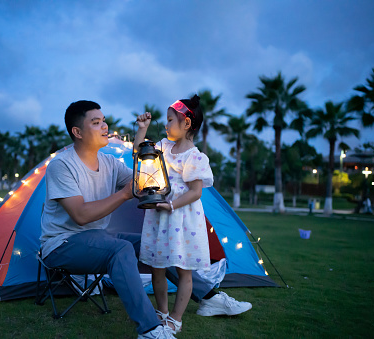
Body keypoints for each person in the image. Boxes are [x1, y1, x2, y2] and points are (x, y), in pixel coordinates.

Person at [40, 100, 251, 339]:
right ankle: (151, 329)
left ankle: (209, 298)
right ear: (77, 132)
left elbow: (143, 183)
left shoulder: (109, 163)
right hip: (62, 244)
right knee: (119, 249)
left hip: (98, 238)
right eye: (96, 123)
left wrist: (171, 176)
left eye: (104, 120)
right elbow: (80, 215)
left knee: (153, 243)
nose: (105, 126)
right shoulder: (61, 165)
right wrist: (123, 194)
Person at [134, 95, 212, 334]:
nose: (166, 125)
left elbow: (196, 192)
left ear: (186, 124)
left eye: (170, 120)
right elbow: (139, 152)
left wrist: (172, 205)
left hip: (181, 218)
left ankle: (175, 318)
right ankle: (162, 311)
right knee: (157, 266)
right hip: (159, 217)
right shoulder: (163, 147)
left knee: (183, 269)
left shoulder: (195, 156)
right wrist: (142, 129)